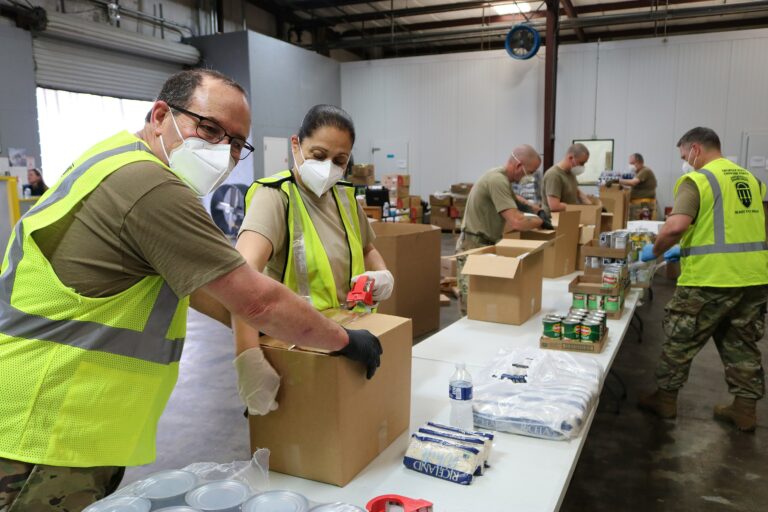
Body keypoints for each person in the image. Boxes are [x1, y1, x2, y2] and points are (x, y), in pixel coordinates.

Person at [0, 70, 382, 511]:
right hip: (42, 426)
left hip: (61, 421)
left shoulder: (112, 159)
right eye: (210, 129)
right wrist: (342, 341)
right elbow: (255, 296)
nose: (224, 151)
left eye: (237, 143)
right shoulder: (150, 188)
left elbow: (208, 288)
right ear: (161, 115)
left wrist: (271, 347)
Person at [638, 127, 768, 432]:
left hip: (710, 280)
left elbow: (674, 227)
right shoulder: (750, 179)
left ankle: (665, 400)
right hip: (753, 278)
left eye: (684, 155)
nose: (685, 162)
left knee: (679, 341)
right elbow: (738, 225)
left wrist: (656, 251)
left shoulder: (698, 180)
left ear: (695, 148)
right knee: (742, 344)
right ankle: (745, 410)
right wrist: (685, 250)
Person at [455, 145, 548, 314]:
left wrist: (536, 209)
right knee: (472, 304)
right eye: (530, 172)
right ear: (519, 166)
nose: (530, 177)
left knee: (485, 299)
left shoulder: (500, 177)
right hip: (473, 245)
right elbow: (517, 222)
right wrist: (540, 221)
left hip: (484, 243)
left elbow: (516, 199)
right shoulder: (497, 180)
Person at [541, 143, 593, 215]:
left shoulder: (571, 172)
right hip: (555, 221)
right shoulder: (554, 175)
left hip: (567, 218)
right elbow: (554, 206)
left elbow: (575, 190)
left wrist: (591, 206)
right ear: (571, 158)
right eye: (581, 163)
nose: (582, 166)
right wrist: (578, 208)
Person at [619, 153, 657, 219]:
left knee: (641, 226)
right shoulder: (638, 173)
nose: (630, 166)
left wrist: (618, 181)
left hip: (643, 206)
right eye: (630, 164)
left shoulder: (645, 171)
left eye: (632, 163)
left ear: (640, 162)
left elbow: (633, 183)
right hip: (638, 205)